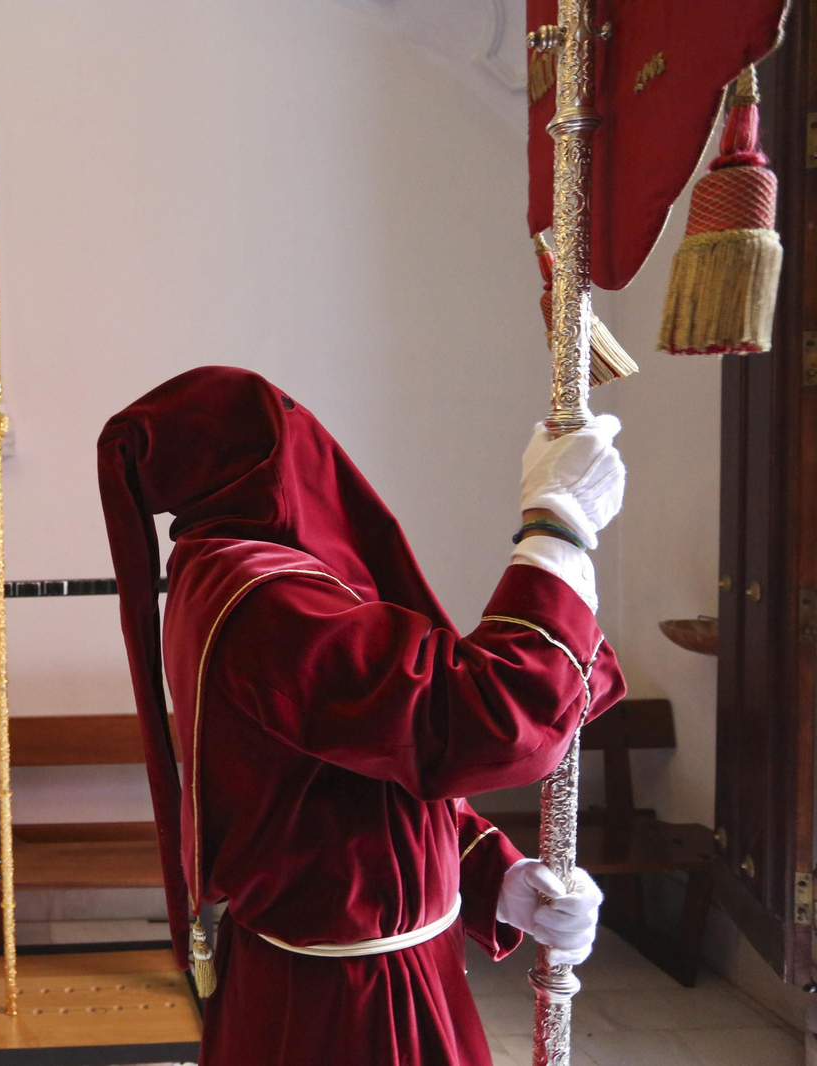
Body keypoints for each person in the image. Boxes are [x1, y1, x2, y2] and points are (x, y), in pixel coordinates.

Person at [97, 366, 624, 1064]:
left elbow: (352, 781)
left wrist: (496, 877)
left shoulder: (217, 572)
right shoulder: (265, 598)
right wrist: (555, 529)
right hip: (355, 1008)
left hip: (346, 976)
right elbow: (472, 724)